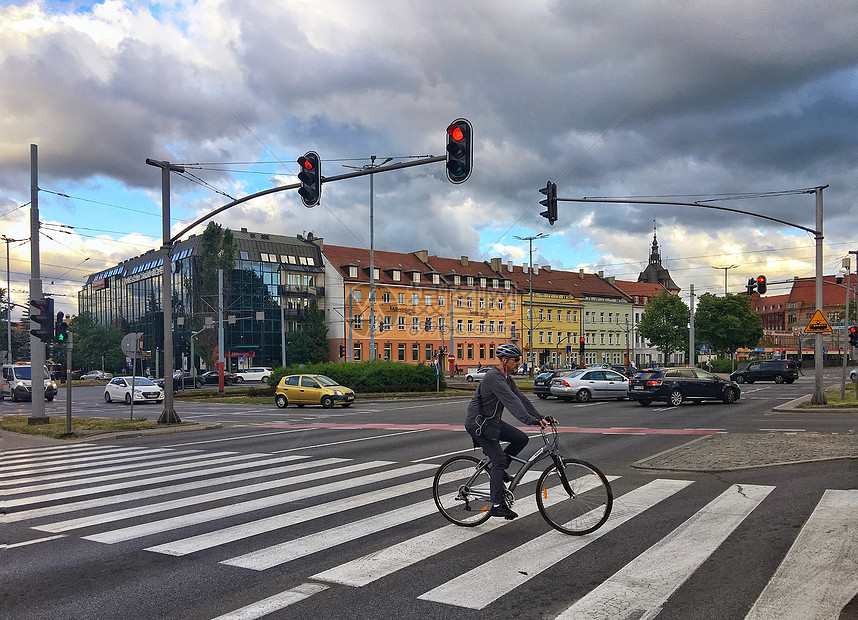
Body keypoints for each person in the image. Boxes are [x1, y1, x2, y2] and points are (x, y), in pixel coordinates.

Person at [464, 342, 552, 520]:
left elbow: (522, 399)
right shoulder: (493, 378)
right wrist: (530, 420)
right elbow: (511, 402)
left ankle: (501, 470)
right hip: (479, 425)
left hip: (491, 422)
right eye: (516, 360)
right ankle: (497, 505)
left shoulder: (506, 379)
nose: (519, 362)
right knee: (497, 459)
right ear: (505, 361)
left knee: (520, 438)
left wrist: (540, 416)